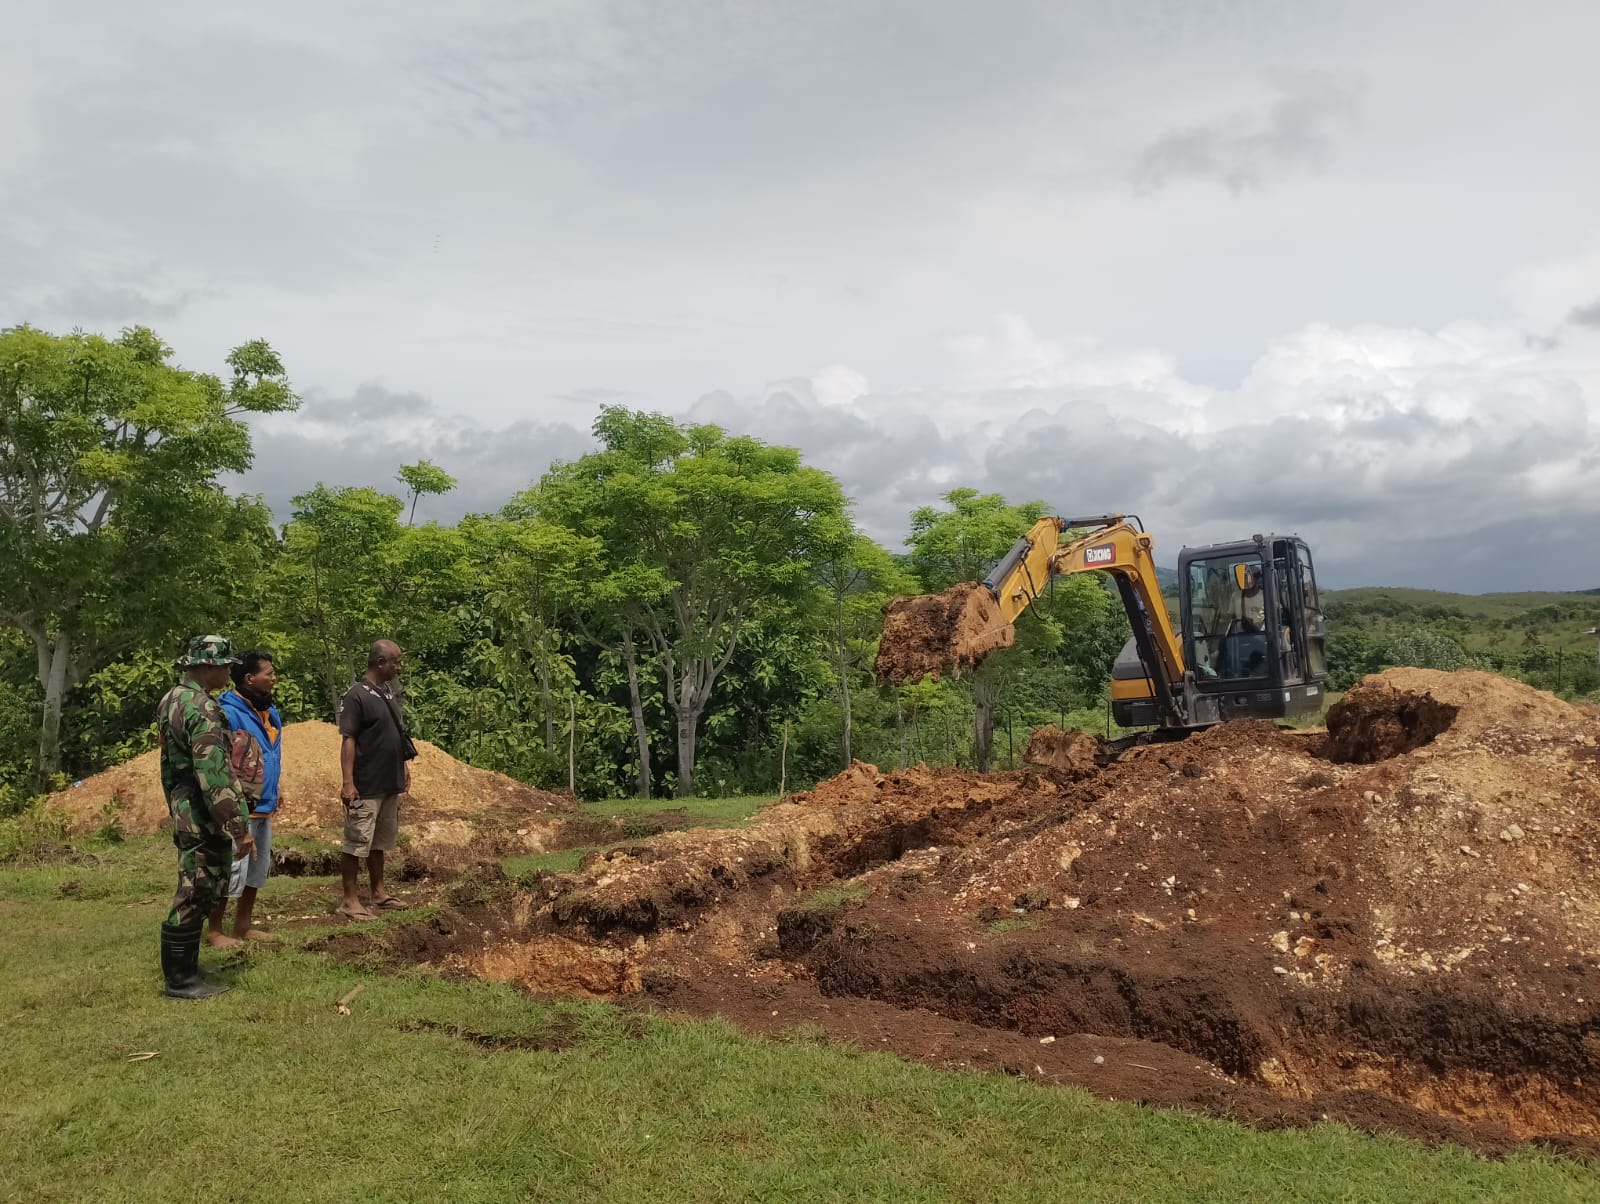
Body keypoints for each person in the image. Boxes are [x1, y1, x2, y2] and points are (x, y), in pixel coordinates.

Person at [155, 634, 253, 999]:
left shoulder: (171, 700)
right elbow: (214, 774)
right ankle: (180, 980)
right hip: (202, 813)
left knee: (198, 887)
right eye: (225, 665)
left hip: (184, 806)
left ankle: (188, 968)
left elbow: (169, 767)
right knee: (196, 890)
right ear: (206, 667)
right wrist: (238, 827)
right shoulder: (202, 708)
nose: (229, 670)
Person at [336, 639, 415, 920]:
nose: (399, 667)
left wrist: (403, 766)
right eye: (396, 661)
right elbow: (349, 740)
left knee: (380, 842)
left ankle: (378, 893)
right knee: (357, 841)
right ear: (380, 662)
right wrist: (348, 782)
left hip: (389, 781)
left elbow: (393, 733)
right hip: (366, 784)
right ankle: (349, 900)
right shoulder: (356, 695)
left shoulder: (387, 691)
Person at [210, 649, 283, 944]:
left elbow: (272, 754)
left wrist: (278, 788)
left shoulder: (271, 712)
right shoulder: (227, 712)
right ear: (250, 678)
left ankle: (243, 925)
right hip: (239, 806)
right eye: (269, 673)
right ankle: (214, 930)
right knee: (231, 870)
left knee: (256, 870)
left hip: (264, 804)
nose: (274, 678)